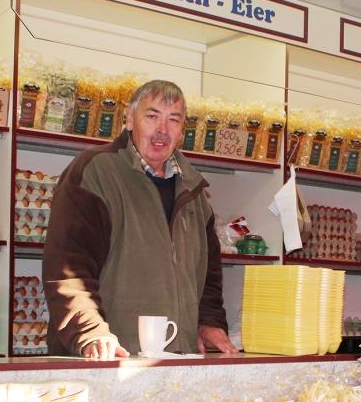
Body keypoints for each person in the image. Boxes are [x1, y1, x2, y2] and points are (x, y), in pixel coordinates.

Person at [43, 79, 237, 359]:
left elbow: (209, 274)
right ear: (129, 120)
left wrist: (209, 321)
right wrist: (89, 331)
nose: (162, 130)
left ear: (182, 130)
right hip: (111, 358)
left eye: (173, 120)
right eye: (152, 116)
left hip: (177, 361)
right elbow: (68, 267)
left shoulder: (192, 189)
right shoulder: (95, 172)